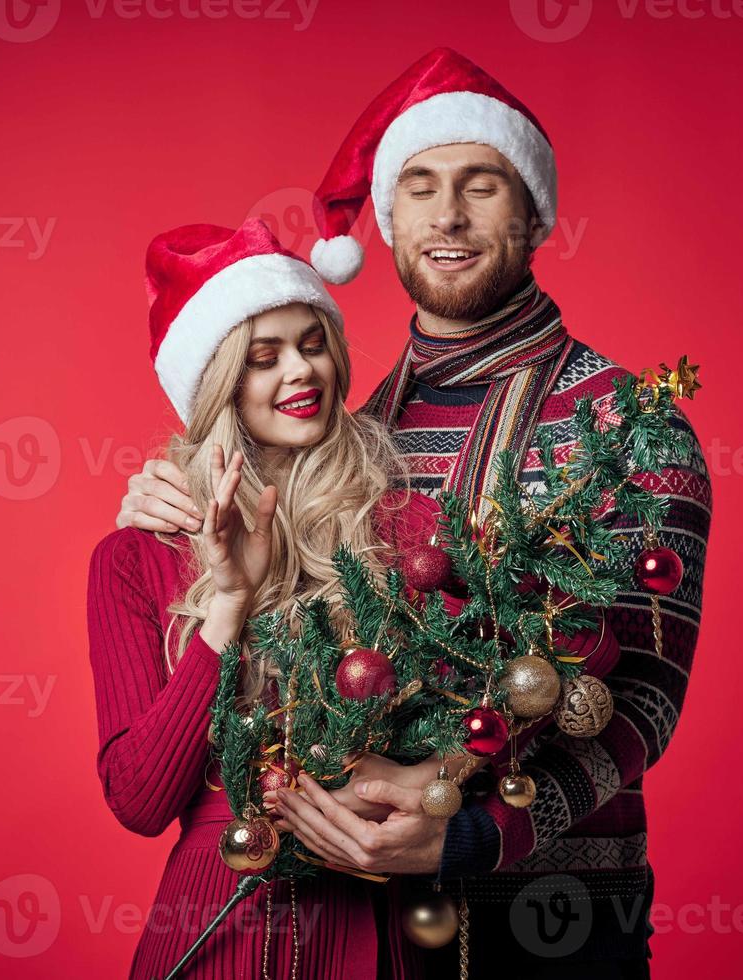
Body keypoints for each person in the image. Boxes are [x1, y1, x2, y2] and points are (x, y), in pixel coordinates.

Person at [113, 48, 714, 978]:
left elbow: (642, 696)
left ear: (534, 213)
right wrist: (166, 504)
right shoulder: (339, 444)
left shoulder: (629, 425)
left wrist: (475, 833)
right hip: (362, 927)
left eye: (482, 185)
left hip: (554, 923)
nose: (448, 216)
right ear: (387, 220)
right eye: (420, 186)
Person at [89, 217, 467, 979]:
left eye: (313, 342)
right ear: (219, 385)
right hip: (216, 929)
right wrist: (228, 603)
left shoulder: (411, 528)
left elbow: (480, 719)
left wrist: (436, 781)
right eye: (264, 358)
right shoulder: (136, 558)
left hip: (375, 927)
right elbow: (139, 800)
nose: (301, 371)